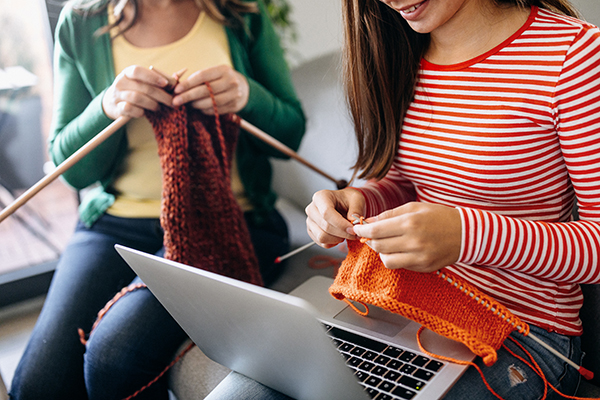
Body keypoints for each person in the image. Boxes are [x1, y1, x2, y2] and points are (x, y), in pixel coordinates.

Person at [202, 0, 600, 399]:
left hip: (520, 335)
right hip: (403, 304)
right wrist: (354, 200)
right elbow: (403, 183)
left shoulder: (576, 56)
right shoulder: (400, 49)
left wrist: (465, 236)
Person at [9, 0, 305, 398]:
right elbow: (73, 170)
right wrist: (105, 107)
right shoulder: (82, 20)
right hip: (114, 222)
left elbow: (290, 136)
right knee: (37, 385)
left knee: (116, 354)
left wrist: (246, 94)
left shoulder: (242, 12)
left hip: (230, 219)